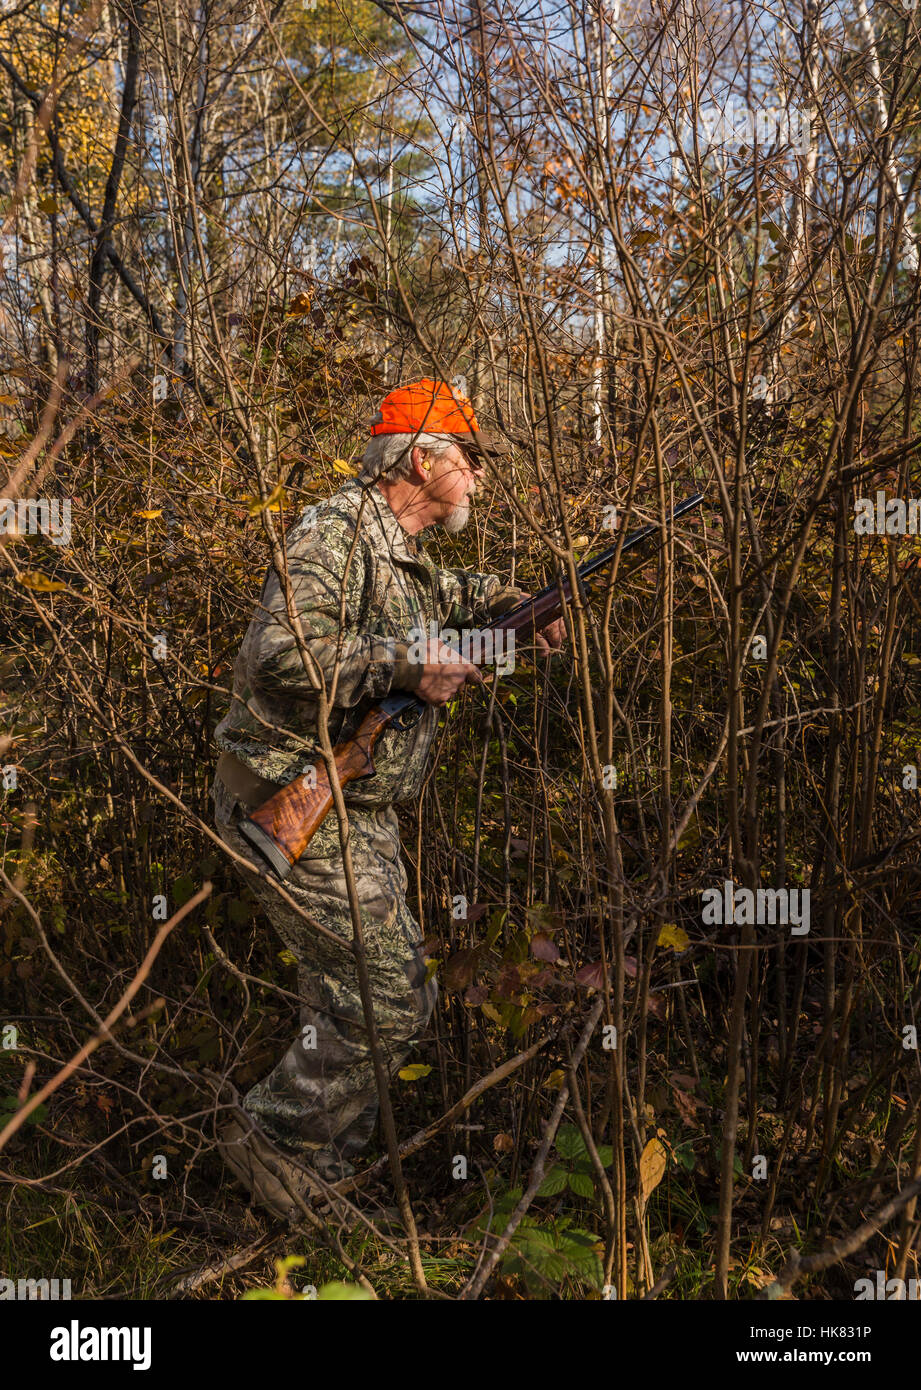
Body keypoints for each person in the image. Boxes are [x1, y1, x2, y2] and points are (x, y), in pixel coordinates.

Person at [210, 378, 565, 1219]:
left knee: (383, 992)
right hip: (292, 795)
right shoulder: (336, 532)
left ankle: (310, 1186)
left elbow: (455, 596)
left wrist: (522, 607)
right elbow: (278, 658)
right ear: (422, 458)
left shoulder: (400, 553)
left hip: (349, 808)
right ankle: (270, 1146)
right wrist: (403, 667)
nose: (478, 477)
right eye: (470, 459)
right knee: (385, 998)